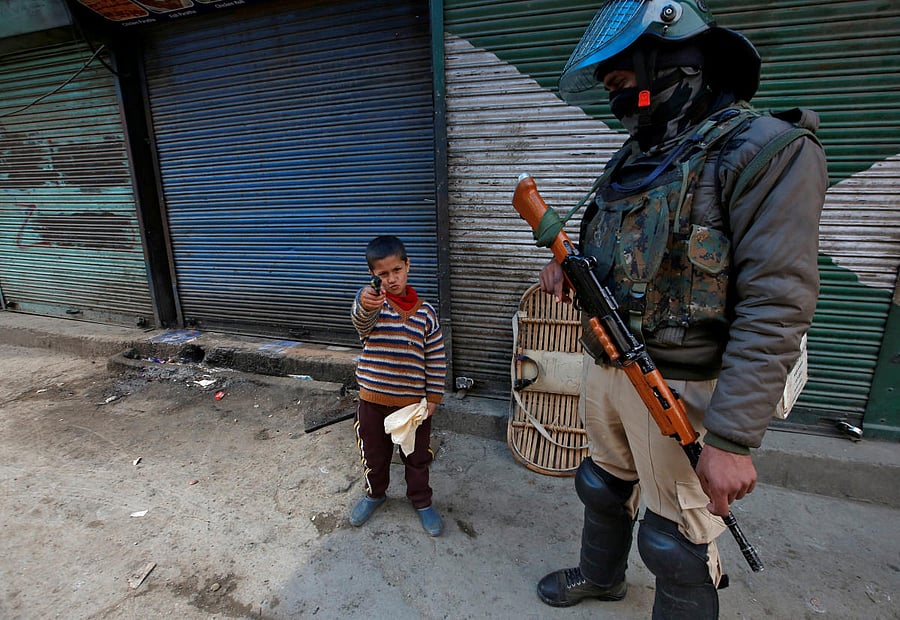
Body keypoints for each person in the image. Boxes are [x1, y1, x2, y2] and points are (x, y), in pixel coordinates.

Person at [534, 1, 828, 617]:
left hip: (685, 386)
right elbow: (617, 243)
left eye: (622, 84)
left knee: (674, 541)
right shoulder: (641, 152)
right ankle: (602, 577)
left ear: (668, 65)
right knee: (602, 485)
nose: (618, 103)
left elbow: (778, 303)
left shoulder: (765, 150)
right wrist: (567, 262)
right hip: (610, 363)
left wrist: (731, 438)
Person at [348, 235, 447, 536]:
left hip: (412, 407)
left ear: (408, 266)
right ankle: (375, 494)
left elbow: (436, 357)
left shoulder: (426, 314)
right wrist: (364, 302)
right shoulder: (375, 308)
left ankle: (422, 501)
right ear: (373, 277)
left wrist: (433, 397)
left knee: (417, 458)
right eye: (383, 274)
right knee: (374, 456)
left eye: (396, 270)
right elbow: (360, 320)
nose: (391, 279)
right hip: (372, 403)